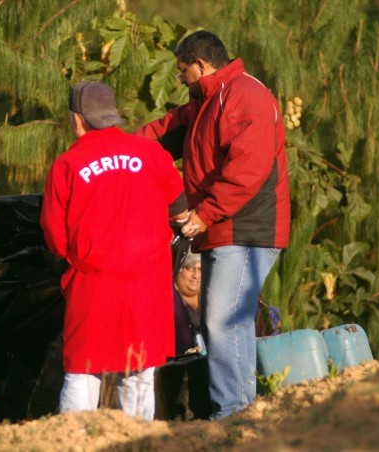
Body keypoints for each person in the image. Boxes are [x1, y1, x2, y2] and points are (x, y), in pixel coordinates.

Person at [136, 30, 290, 419]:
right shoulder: (205, 102)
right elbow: (161, 133)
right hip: (224, 227)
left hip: (248, 227)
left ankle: (235, 413)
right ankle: (237, 409)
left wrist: (204, 213)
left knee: (224, 319)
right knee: (218, 320)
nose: (179, 78)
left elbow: (248, 169)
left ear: (202, 66)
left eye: (182, 70)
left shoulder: (244, 96)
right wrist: (119, 152)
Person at [40, 81, 188, 420]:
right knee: (139, 373)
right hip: (147, 283)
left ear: (77, 120)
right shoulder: (152, 153)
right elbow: (180, 210)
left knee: (82, 370)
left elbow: (55, 236)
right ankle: (135, 442)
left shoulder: (68, 163)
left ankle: (74, 442)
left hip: (92, 283)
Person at [159, 250, 211, 420]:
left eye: (201, 269)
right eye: (190, 268)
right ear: (178, 270)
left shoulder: (210, 298)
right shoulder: (166, 298)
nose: (196, 275)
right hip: (173, 374)